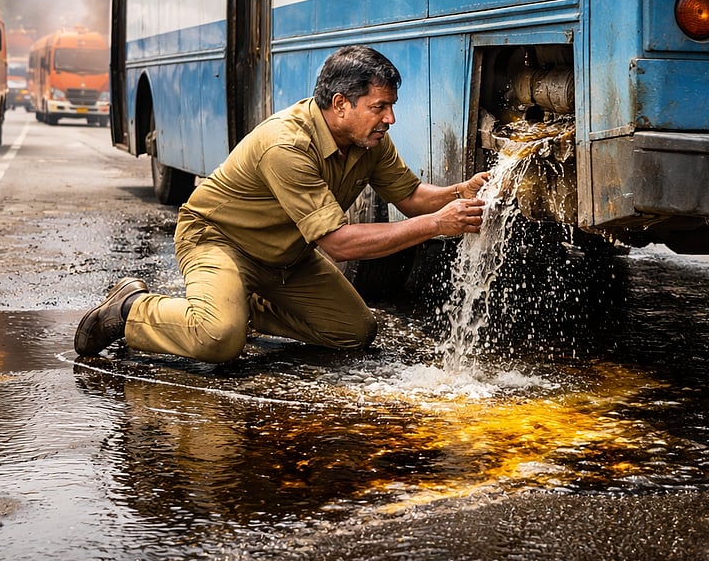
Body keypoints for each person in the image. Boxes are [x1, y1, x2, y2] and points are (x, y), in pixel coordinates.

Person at [76, 45, 491, 363]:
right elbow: (338, 244)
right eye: (379, 107)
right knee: (219, 339)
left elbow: (412, 197)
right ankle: (131, 308)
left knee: (354, 329)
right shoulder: (287, 144)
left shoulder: (368, 141)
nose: (389, 119)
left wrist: (460, 193)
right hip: (219, 242)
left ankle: (240, 303)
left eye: (390, 107)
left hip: (284, 256)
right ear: (341, 103)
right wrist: (437, 225)